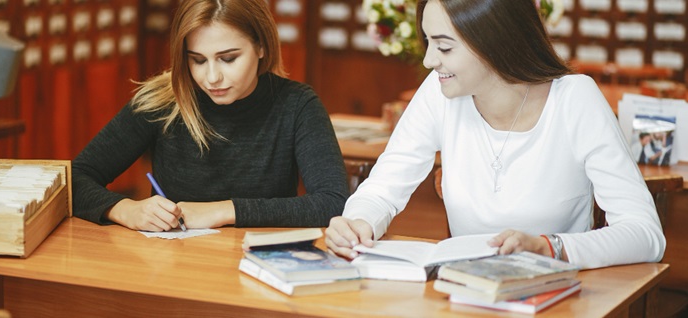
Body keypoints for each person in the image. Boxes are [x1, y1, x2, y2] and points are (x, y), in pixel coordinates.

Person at [325, 0, 665, 269]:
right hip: (465, 294)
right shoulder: (439, 94)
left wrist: (549, 247)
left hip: (556, 298)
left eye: (444, 47)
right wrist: (358, 221)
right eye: (428, 42)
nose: (429, 60)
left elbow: (645, 234)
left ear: (495, 43)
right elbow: (384, 188)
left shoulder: (575, 99)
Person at [72, 0, 349, 232]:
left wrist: (224, 211)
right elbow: (75, 178)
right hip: (174, 269)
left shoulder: (298, 105)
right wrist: (125, 210)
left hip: (260, 271)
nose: (212, 77)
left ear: (261, 46)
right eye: (198, 60)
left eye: (228, 59)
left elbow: (332, 201)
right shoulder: (162, 100)